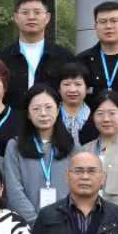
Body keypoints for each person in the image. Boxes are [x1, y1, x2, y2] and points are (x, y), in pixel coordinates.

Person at [0, 0, 74, 107]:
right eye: (25, 13)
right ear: (16, 17)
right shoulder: (0, 59)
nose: (31, 17)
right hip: (12, 117)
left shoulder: (65, 57)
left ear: (47, 17)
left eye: (37, 12)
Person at [6, 86, 73, 217]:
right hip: (26, 223)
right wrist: (34, 220)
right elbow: (14, 190)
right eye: (36, 109)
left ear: (58, 110)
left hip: (66, 221)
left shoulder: (72, 146)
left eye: (48, 107)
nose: (43, 113)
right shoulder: (14, 146)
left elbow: (77, 186)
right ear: (28, 114)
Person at [54, 63, 98, 144]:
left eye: (78, 84)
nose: (72, 90)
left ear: (87, 88)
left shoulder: (96, 117)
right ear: (59, 89)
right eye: (66, 84)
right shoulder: (51, 116)